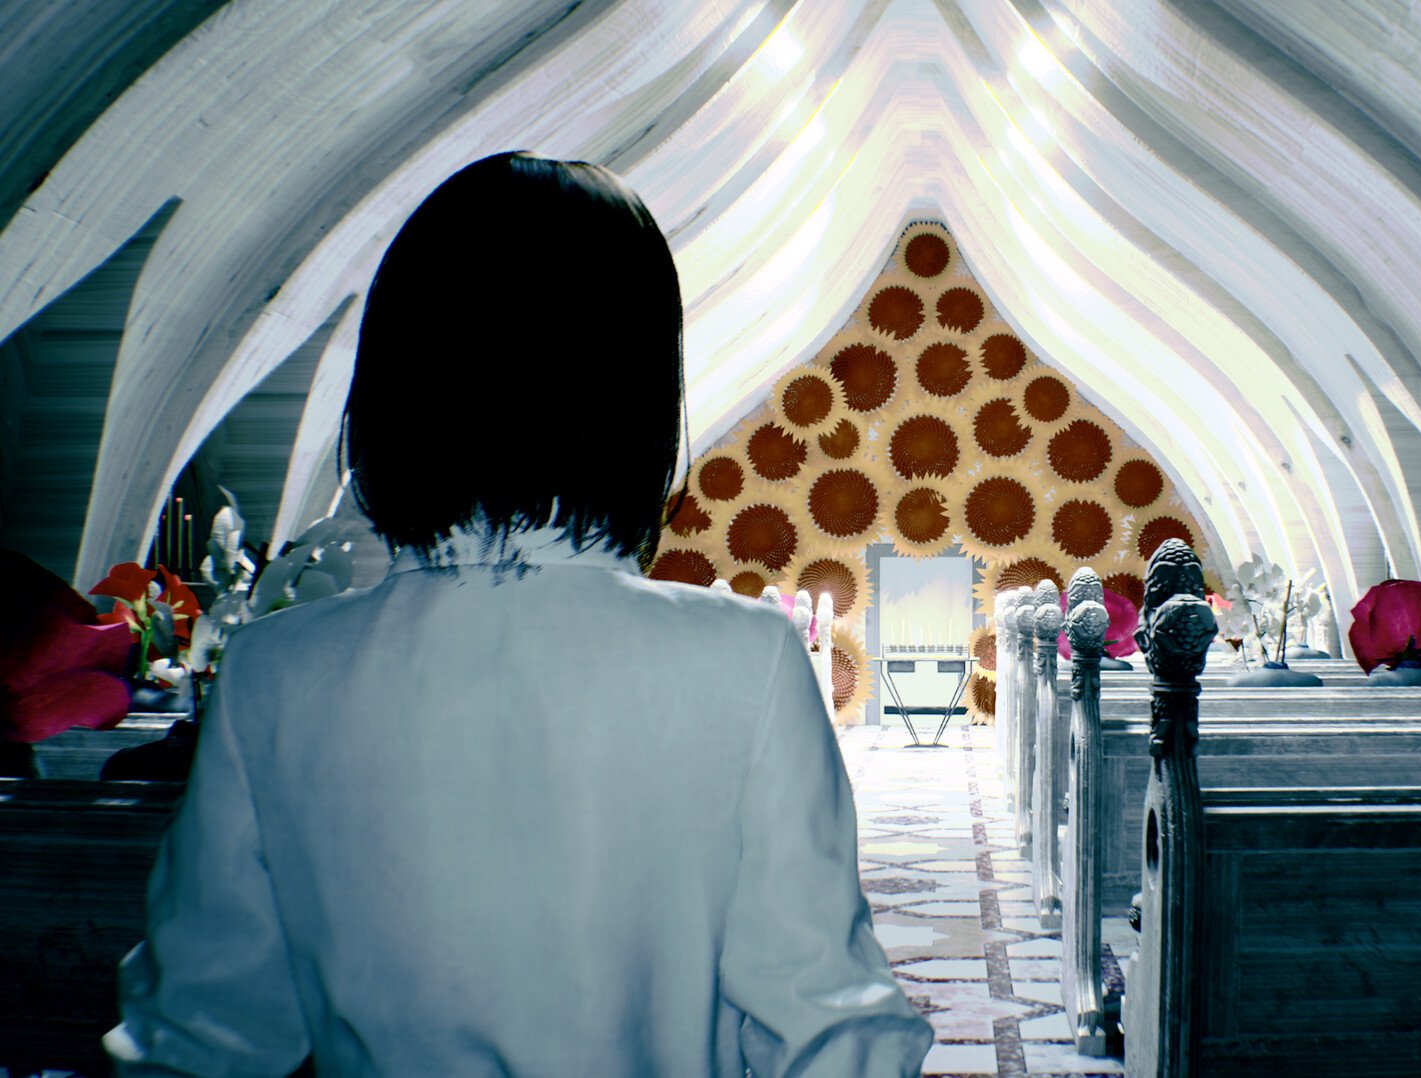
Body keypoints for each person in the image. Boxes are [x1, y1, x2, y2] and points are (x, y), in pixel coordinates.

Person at [106, 152, 933, 1076]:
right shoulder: (746, 662)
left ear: (398, 378)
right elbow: (831, 1035)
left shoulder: (276, 674)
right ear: (634, 394)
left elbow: (199, 1037)